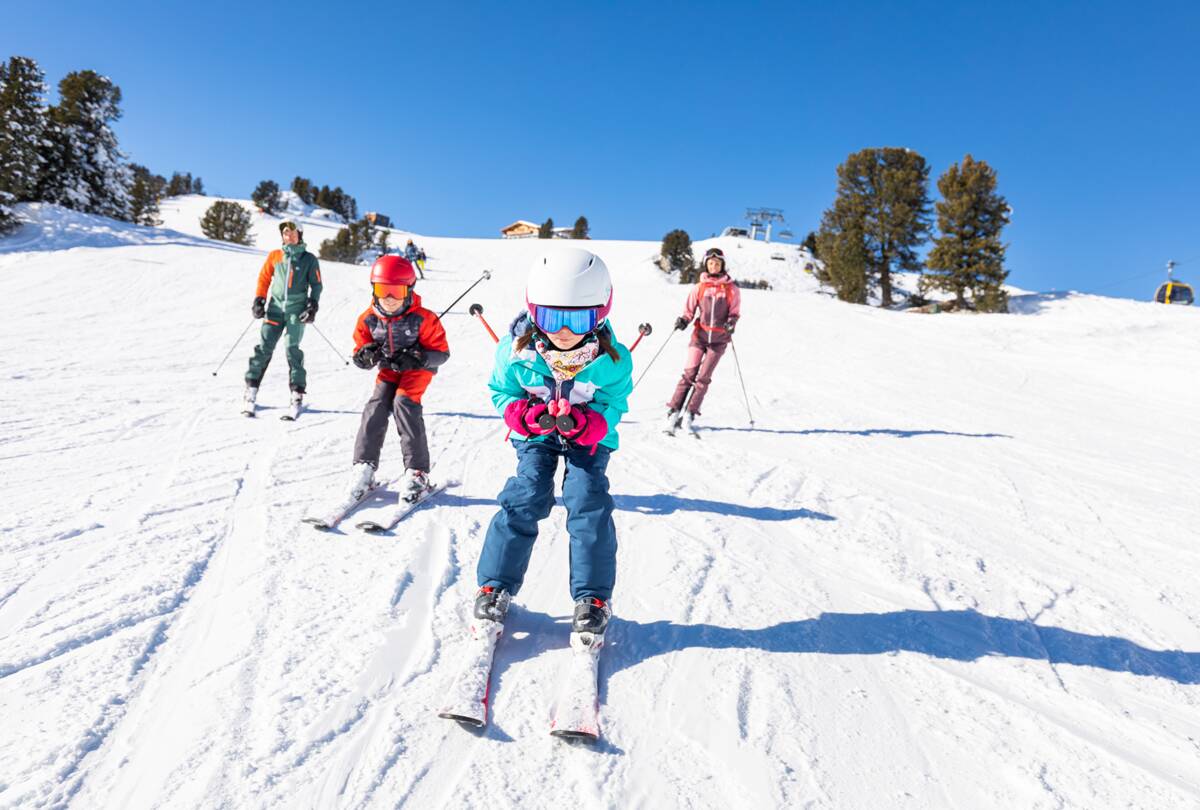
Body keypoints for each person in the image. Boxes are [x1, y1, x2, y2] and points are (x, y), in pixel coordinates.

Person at [474, 247, 633, 638]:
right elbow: (501, 391)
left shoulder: (613, 360)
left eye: (577, 318)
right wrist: (520, 415)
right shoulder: (514, 353)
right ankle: (494, 585)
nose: (563, 330)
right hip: (538, 435)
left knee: (588, 500)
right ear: (532, 311)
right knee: (526, 495)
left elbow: (614, 402)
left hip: (587, 440)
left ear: (600, 314)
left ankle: (593, 597)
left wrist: (591, 423)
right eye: (550, 317)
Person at [345, 255, 450, 500]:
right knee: (376, 406)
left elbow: (442, 353)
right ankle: (364, 466)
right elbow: (359, 350)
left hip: (416, 371)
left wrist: (420, 358)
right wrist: (364, 356)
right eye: (383, 290)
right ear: (374, 289)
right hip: (388, 370)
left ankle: (417, 473)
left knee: (403, 403)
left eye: (397, 291)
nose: (389, 299)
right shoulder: (368, 319)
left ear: (409, 290)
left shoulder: (423, 318)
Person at [243, 220, 322, 415]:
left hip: (297, 310)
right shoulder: (275, 256)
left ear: (300, 235)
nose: (289, 236)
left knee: (291, 348)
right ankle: (251, 390)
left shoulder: (309, 259)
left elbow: (317, 285)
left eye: (293, 233)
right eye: (286, 233)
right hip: (275, 309)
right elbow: (264, 278)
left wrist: (312, 305)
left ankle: (296, 394)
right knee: (264, 347)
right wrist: (259, 299)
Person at [665, 246, 741, 434]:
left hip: (719, 339)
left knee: (703, 378)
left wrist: (731, 323)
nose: (714, 266)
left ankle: (690, 412)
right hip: (699, 336)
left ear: (722, 265)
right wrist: (683, 320)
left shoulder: (731, 289)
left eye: (717, 263)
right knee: (689, 374)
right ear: (706, 265)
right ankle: (674, 410)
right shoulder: (699, 288)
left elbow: (734, 312)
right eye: (710, 263)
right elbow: (689, 311)